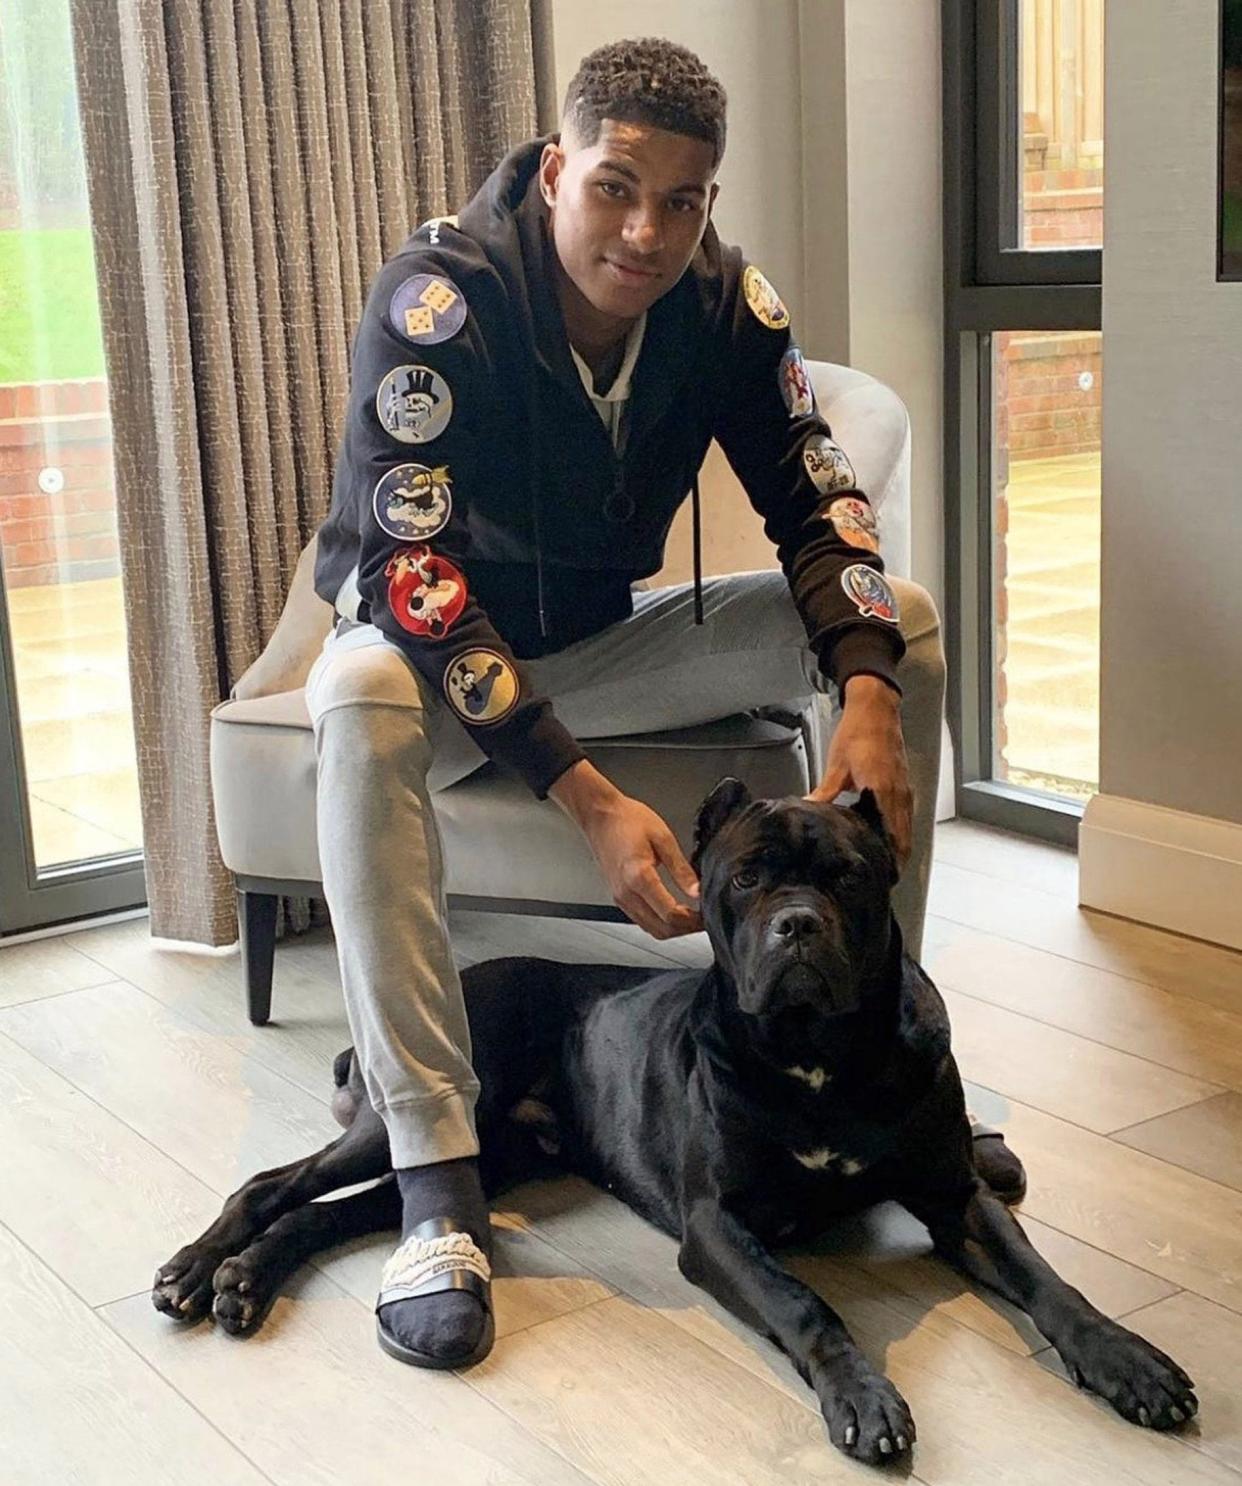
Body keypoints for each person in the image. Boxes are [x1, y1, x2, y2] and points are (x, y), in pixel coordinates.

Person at [309, 36, 1024, 1371]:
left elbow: (814, 493)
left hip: (594, 638)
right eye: (616, 188)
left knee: (900, 625)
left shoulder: (716, 304)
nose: (646, 231)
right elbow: (411, 571)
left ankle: (886, 1079)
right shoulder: (437, 301)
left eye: (683, 199)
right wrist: (584, 797)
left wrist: (864, 686)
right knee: (349, 688)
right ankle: (433, 1176)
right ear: (553, 168)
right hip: (426, 650)